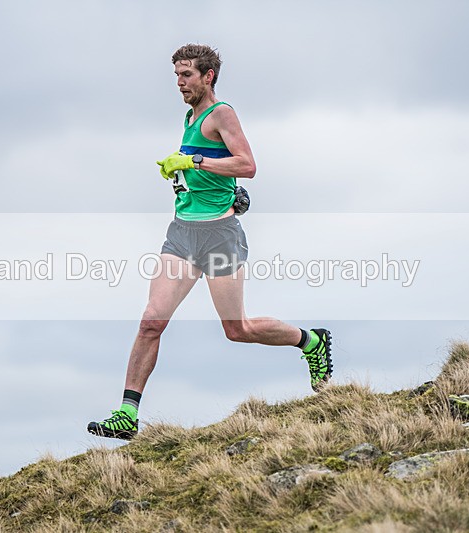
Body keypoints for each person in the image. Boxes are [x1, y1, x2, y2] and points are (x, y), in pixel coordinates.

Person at [87, 44, 332, 440]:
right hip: (182, 233)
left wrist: (194, 162)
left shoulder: (222, 113)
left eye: (186, 75)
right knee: (151, 322)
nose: (180, 83)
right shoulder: (190, 117)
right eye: (176, 76)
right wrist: (180, 173)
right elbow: (214, 172)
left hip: (219, 236)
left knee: (237, 328)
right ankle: (127, 415)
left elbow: (247, 165)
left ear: (208, 76)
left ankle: (311, 341)